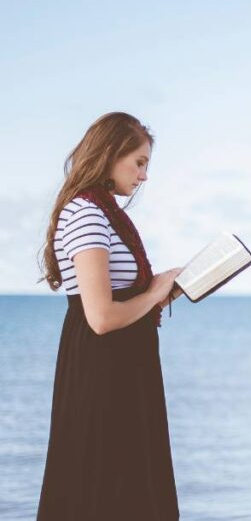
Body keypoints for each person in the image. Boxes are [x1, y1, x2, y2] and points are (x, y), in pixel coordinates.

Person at [36, 112, 183, 520]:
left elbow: (117, 298)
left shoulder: (103, 213)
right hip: (104, 369)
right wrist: (154, 292)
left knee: (129, 484)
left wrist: (157, 290)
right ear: (110, 155)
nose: (144, 176)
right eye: (139, 162)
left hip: (123, 367)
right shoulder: (86, 213)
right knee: (104, 485)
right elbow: (100, 316)